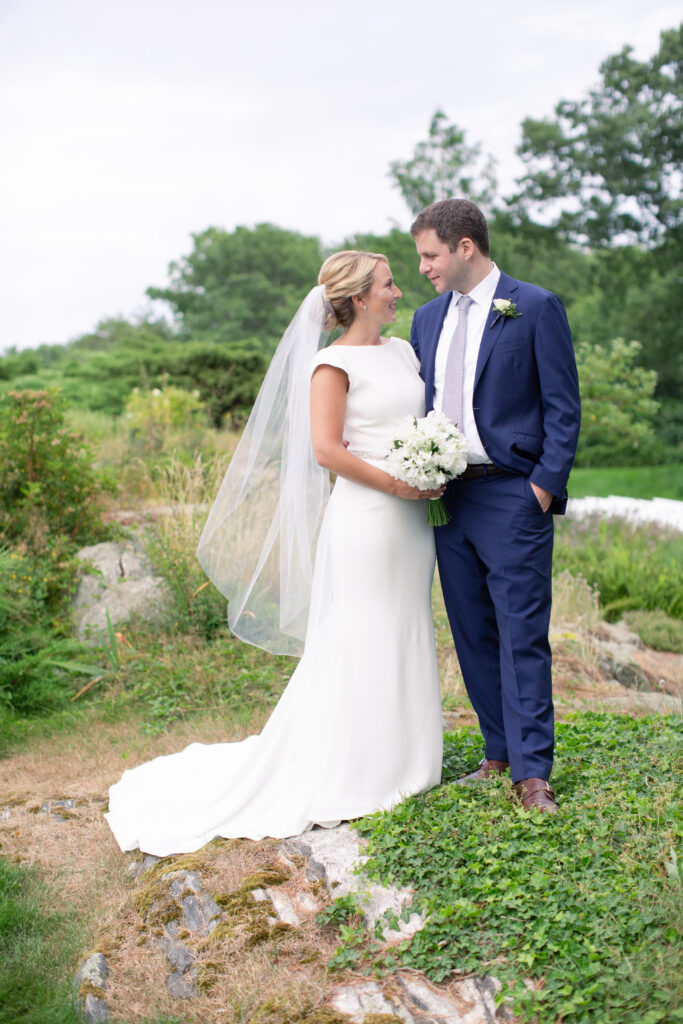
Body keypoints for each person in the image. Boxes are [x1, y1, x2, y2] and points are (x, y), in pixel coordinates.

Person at [105, 251, 445, 856]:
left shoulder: (402, 352)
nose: (400, 292)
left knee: (405, 623)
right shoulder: (331, 365)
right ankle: (357, 768)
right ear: (361, 298)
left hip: (414, 522)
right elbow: (325, 450)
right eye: (390, 284)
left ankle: (407, 757)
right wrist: (397, 482)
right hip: (369, 517)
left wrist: (433, 462)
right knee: (362, 629)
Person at [410, 199, 581, 814]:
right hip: (448, 499)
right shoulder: (426, 321)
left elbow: (563, 406)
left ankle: (533, 773)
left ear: (464, 248)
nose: (424, 268)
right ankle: (498, 753)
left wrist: (542, 485)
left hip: (513, 493)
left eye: (430, 255)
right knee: (472, 631)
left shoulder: (533, 306)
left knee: (521, 633)